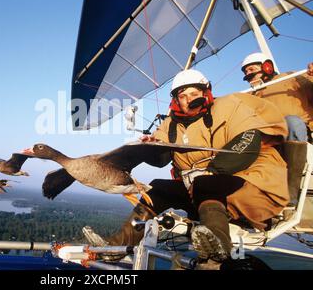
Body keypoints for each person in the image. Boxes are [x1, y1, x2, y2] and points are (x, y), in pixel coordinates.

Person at [84, 69, 289, 268]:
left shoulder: (230, 105)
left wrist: (213, 171)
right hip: (203, 191)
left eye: (195, 93)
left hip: (253, 184)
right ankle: (117, 247)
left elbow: (249, 140)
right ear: (176, 100)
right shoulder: (172, 123)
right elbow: (162, 158)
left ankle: (218, 251)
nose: (189, 99)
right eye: (183, 95)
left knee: (205, 183)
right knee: (157, 189)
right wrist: (151, 147)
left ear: (205, 93)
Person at [241, 52, 313, 142]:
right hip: (268, 138)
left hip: (297, 131)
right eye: (245, 72)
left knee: (292, 121)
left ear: (267, 67)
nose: (247, 75)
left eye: (251, 69)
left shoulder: (290, 77)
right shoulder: (249, 95)